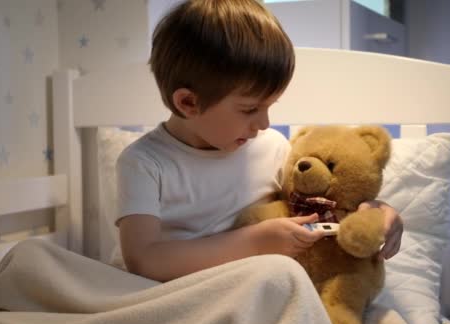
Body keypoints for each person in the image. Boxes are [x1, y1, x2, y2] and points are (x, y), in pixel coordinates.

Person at [115, 0, 403, 283]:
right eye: (250, 109)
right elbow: (144, 260)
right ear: (189, 103)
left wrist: (379, 212)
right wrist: (255, 242)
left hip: (245, 289)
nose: (264, 123)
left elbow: (329, 199)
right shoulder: (144, 162)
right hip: (171, 294)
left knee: (284, 279)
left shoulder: (272, 148)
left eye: (270, 106)